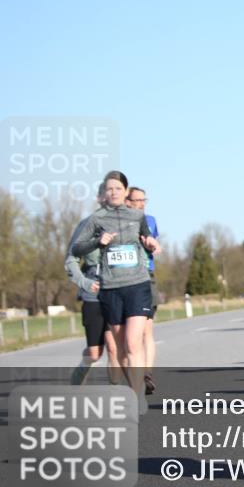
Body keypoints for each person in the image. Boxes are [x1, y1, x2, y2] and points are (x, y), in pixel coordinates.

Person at [71, 170, 161, 409]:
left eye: (118, 188)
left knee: (133, 343)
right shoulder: (95, 220)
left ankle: (137, 396)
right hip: (111, 288)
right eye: (109, 189)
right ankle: (129, 389)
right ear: (104, 193)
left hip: (138, 284)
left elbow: (147, 239)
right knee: (118, 347)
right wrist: (97, 242)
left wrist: (152, 244)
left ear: (125, 191)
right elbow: (78, 249)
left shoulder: (136, 216)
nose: (113, 192)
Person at [65, 182, 123, 385]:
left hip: (116, 293)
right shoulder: (86, 225)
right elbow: (71, 260)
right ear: (99, 198)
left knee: (115, 348)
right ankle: (81, 372)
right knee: (95, 352)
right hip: (93, 294)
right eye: (107, 194)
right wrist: (84, 282)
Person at [126, 186, 160, 393]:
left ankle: (146, 373)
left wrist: (151, 244)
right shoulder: (116, 221)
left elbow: (152, 243)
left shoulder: (150, 221)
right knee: (128, 337)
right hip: (122, 279)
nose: (142, 203)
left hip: (146, 276)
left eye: (144, 200)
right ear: (127, 201)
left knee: (147, 330)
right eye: (137, 200)